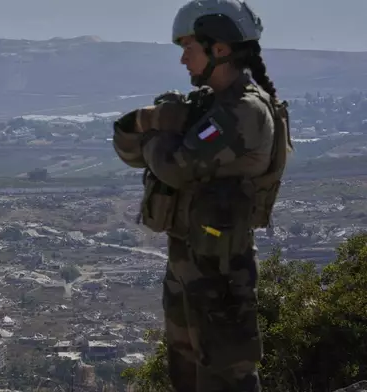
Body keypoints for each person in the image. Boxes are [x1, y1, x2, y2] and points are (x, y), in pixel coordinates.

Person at [112, 0, 293, 391]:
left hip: (221, 269)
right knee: (186, 374)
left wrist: (154, 129)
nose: (183, 60)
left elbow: (175, 164)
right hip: (187, 261)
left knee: (227, 373)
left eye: (189, 49)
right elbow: (126, 146)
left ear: (221, 49)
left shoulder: (244, 111)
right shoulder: (205, 106)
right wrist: (152, 126)